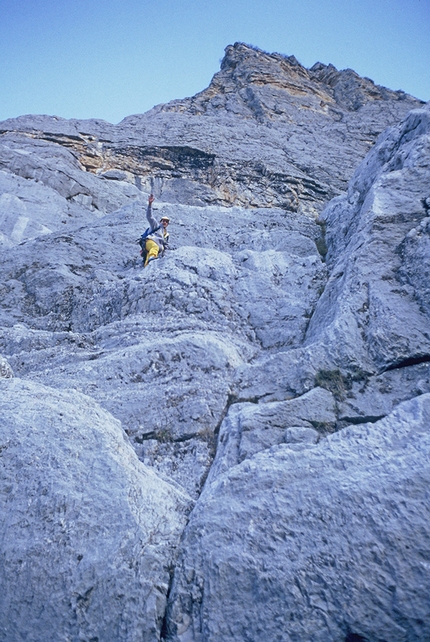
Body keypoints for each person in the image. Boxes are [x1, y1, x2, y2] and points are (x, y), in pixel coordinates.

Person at [141, 194, 170, 267]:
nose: (165, 222)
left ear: (167, 224)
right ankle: (153, 256)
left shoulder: (166, 235)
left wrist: (164, 256)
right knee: (155, 248)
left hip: (155, 249)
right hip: (150, 243)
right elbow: (149, 216)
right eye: (163, 220)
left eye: (166, 222)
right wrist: (150, 204)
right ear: (160, 221)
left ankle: (146, 268)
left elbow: (165, 246)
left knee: (148, 261)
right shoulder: (155, 226)